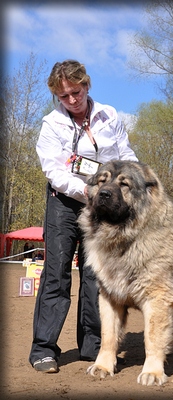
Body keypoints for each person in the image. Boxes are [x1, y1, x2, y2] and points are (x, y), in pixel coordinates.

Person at [29, 60, 138, 373]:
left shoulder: (110, 116)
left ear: (86, 86)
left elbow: (125, 155)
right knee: (56, 274)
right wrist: (90, 192)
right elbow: (54, 171)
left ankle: (93, 346)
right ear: (56, 97)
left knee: (96, 276)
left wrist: (133, 182)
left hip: (103, 207)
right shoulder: (52, 124)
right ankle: (44, 349)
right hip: (64, 203)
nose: (71, 100)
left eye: (75, 92)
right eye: (63, 97)